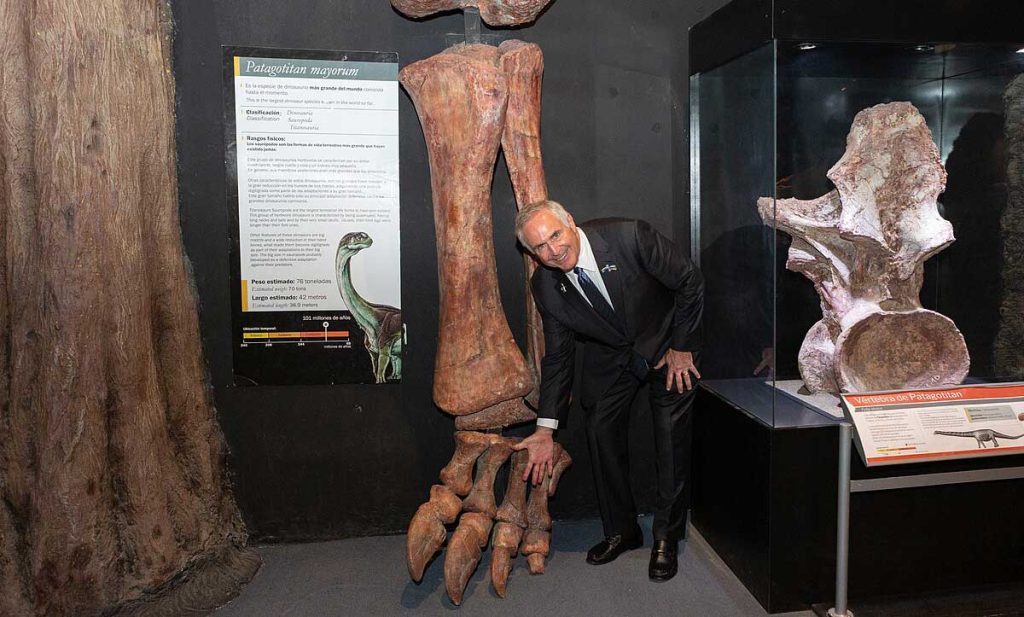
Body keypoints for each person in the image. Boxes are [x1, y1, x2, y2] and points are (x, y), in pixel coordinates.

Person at [511, 199, 703, 582]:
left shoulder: (630, 235)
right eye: (540, 248)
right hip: (611, 357)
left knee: (669, 438)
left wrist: (683, 347)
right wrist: (545, 429)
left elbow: (689, 282)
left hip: (666, 344)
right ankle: (623, 531)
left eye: (555, 235)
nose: (553, 251)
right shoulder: (545, 285)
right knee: (599, 430)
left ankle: (666, 536)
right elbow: (559, 357)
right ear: (531, 254)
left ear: (569, 220)